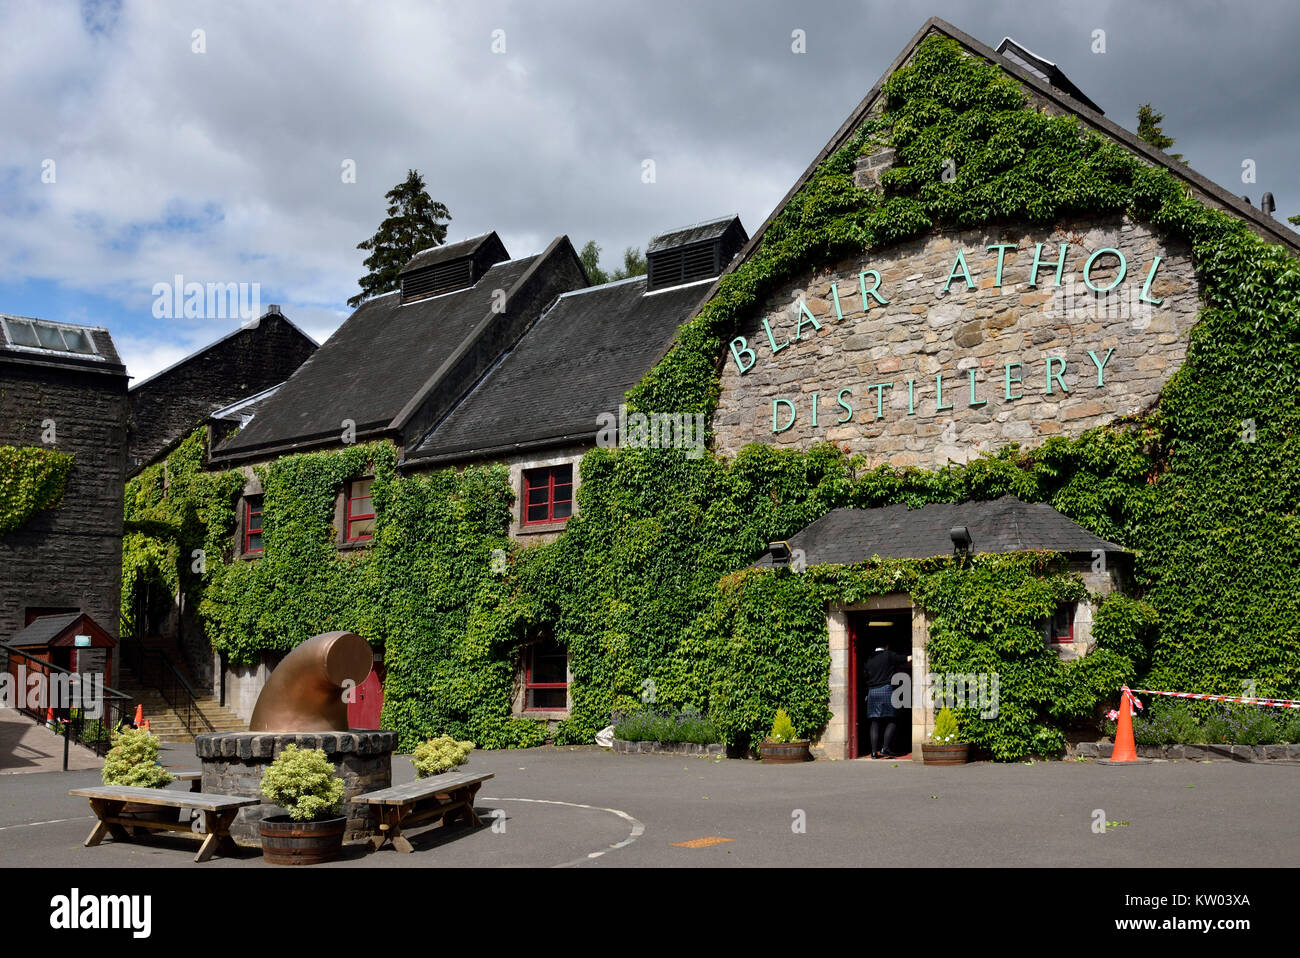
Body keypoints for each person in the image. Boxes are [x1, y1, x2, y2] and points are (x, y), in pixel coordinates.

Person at [863, 645, 912, 758]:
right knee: (892, 718)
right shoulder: (888, 655)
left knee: (874, 721)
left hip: (872, 691)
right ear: (886, 646)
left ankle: (874, 752)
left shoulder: (868, 659)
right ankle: (885, 748)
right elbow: (906, 659)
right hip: (886, 689)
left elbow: (865, 675)